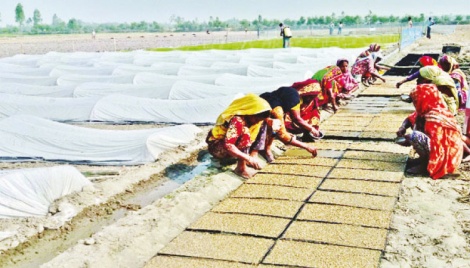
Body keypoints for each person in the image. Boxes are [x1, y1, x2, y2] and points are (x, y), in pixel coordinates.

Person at [396, 84, 462, 179]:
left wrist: (409, 139)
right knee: (416, 128)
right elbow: (412, 117)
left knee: (414, 136)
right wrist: (403, 127)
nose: (415, 103)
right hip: (442, 149)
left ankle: (426, 165)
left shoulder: (435, 118)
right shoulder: (432, 108)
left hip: (445, 156)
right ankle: (424, 159)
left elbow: (437, 146)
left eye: (416, 100)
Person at [206, 94, 271, 178]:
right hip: (218, 147)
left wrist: (254, 152)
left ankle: (245, 161)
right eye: (255, 119)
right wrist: (248, 158)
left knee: (265, 124)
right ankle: (240, 168)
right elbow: (228, 145)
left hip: (235, 148)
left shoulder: (254, 120)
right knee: (245, 132)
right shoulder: (237, 120)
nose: (256, 122)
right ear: (250, 112)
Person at [259, 87, 318, 162]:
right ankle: (265, 150)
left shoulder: (274, 98)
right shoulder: (277, 111)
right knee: (274, 129)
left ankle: (266, 149)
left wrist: (286, 132)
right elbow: (283, 136)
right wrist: (307, 146)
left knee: (274, 128)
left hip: (262, 119)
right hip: (252, 127)